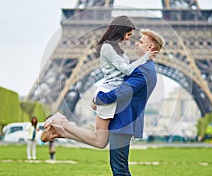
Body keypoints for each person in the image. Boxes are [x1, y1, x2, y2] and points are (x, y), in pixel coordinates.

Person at [41, 29, 165, 176]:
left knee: (120, 169)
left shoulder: (144, 71)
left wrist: (97, 99)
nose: (136, 44)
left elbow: (122, 92)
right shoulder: (143, 68)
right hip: (122, 121)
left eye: (140, 42)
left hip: (124, 122)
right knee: (117, 167)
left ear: (150, 47)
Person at [42, 16, 156, 148]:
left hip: (112, 94)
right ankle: (62, 123)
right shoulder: (108, 47)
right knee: (99, 141)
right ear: (121, 30)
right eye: (128, 34)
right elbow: (126, 71)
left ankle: (61, 130)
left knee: (100, 142)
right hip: (108, 93)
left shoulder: (118, 50)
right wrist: (145, 58)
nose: (129, 38)